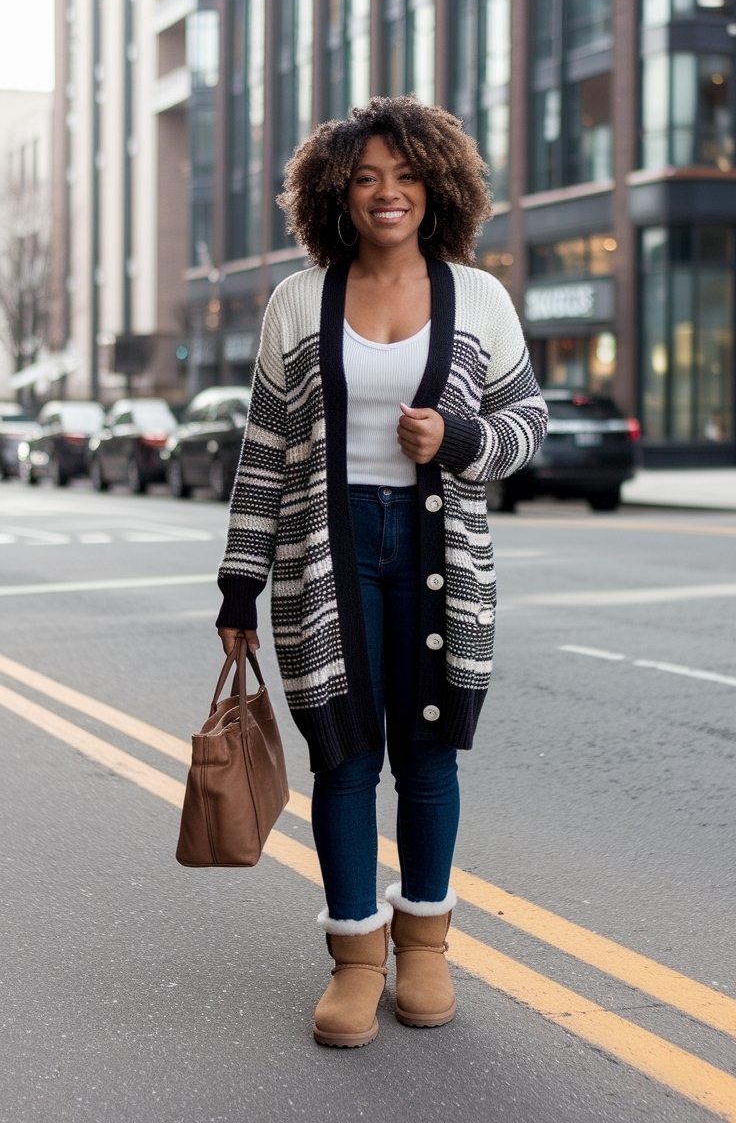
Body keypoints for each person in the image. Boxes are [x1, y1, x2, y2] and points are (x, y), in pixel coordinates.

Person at [216, 95, 547, 1048]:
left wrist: (460, 437)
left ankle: (428, 943)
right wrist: (240, 581)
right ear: (337, 193)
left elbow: (527, 427)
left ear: (436, 185)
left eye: (404, 175)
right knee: (346, 755)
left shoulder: (477, 297)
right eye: (366, 177)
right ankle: (357, 957)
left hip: (445, 555)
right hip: (327, 550)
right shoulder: (297, 299)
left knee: (429, 756)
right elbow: (266, 450)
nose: (387, 193)